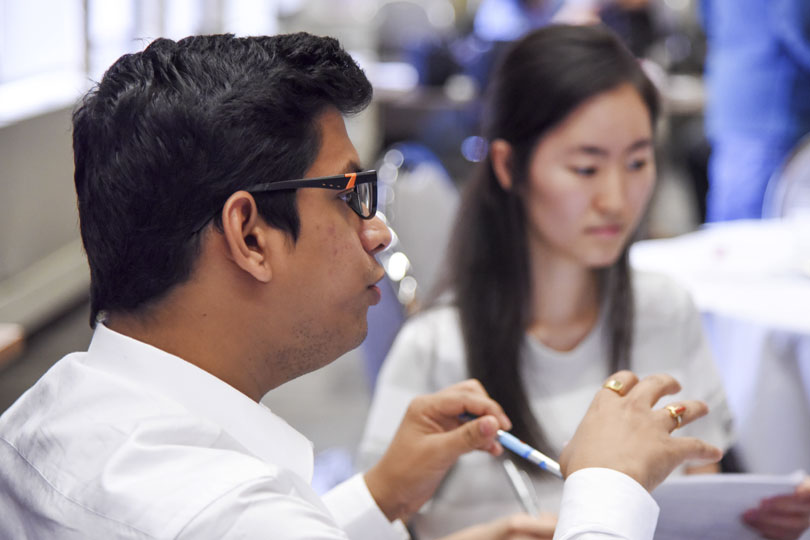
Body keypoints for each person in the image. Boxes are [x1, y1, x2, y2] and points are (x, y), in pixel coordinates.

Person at [0, 32, 722, 540]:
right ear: (250, 235)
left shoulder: (42, 416)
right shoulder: (229, 511)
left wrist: (377, 499)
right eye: (349, 193)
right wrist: (607, 488)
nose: (377, 230)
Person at [360, 24, 810, 540]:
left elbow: (697, 496)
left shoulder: (666, 309)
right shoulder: (435, 347)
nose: (617, 199)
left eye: (638, 162)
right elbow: (379, 520)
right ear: (509, 165)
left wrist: (747, 523)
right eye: (585, 168)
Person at [701, 0, 810, 221]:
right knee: (758, 236)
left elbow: (708, 18)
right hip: (774, 103)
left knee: (734, 230)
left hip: (735, 95)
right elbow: (794, 23)